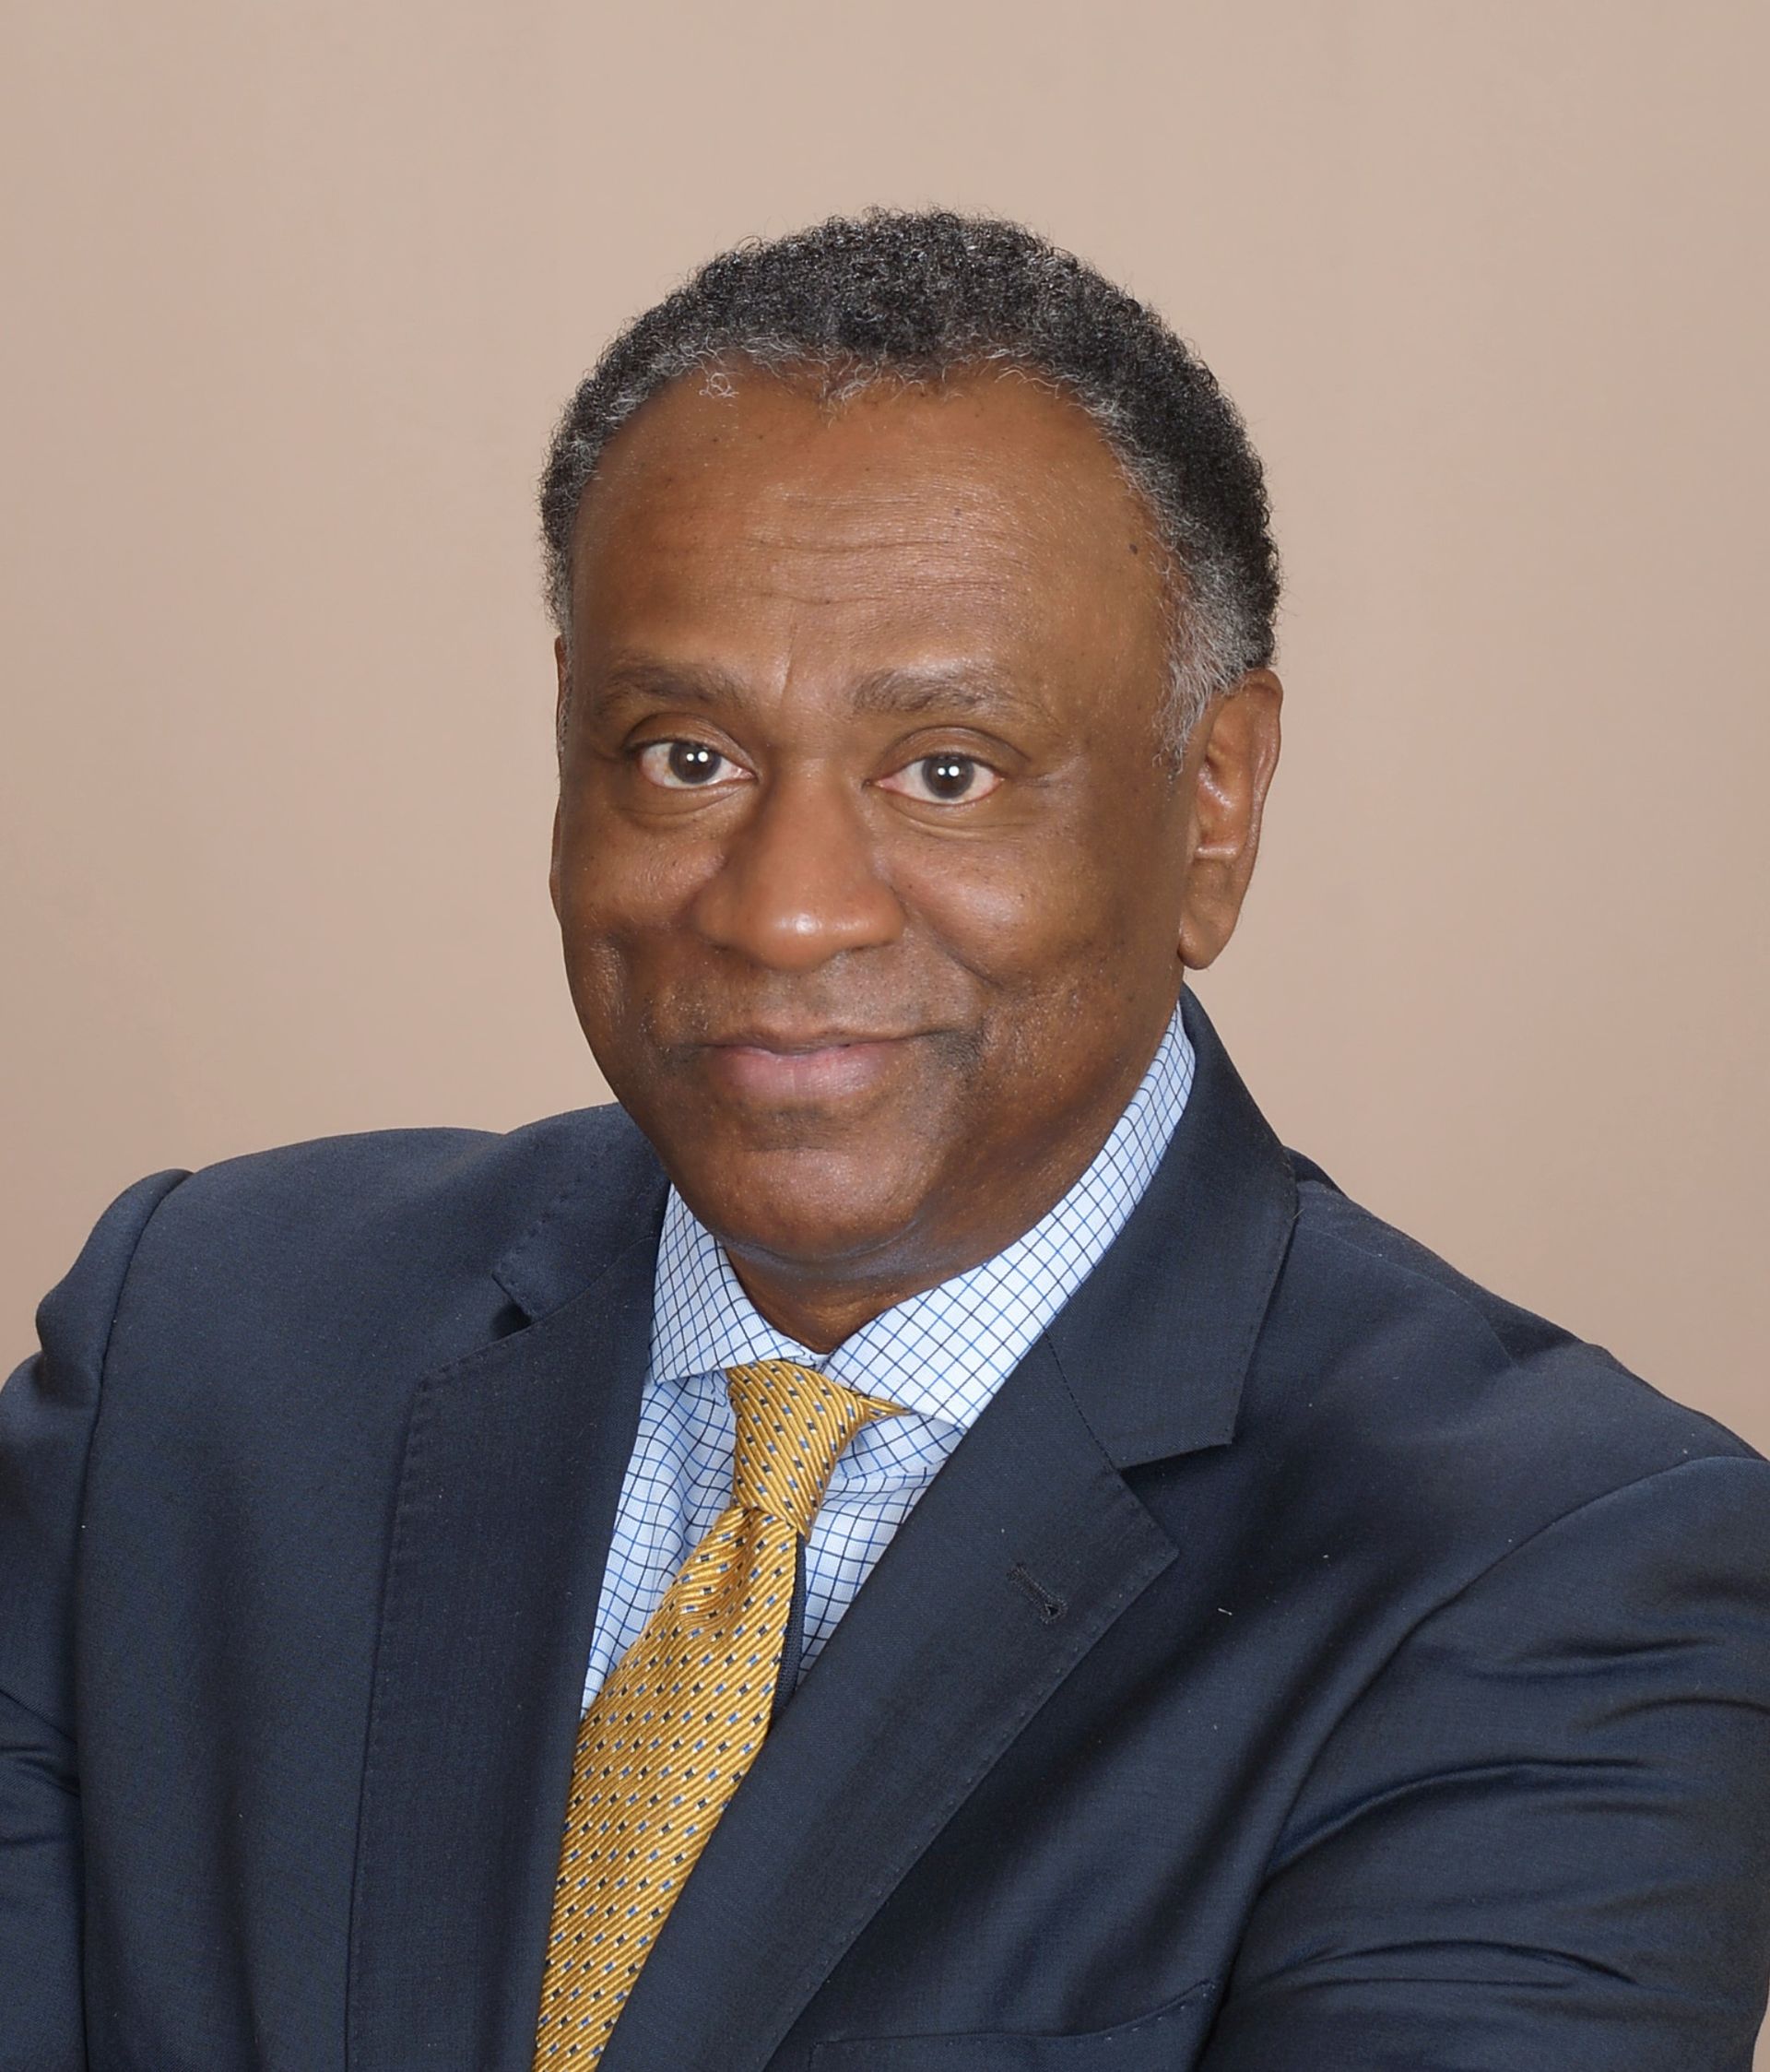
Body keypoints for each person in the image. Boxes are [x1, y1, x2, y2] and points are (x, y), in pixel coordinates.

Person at [3, 208, 1766, 2072]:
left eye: (947, 770)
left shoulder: (1548, 1582)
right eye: (686, 755)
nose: (785, 912)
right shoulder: (199, 1359)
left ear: (1215, 802)